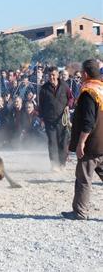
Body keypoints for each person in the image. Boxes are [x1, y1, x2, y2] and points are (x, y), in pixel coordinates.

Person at [62, 59, 103, 220]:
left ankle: (80, 212)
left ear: (85, 74)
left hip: (92, 145)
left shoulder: (88, 92)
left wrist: (81, 143)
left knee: (83, 179)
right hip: (102, 143)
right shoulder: (101, 89)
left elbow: (88, 121)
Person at [39, 66, 74, 172]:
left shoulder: (65, 86)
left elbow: (71, 98)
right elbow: (41, 105)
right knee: (52, 142)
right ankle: (54, 164)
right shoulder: (44, 89)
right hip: (49, 120)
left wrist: (68, 105)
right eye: (49, 75)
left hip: (62, 119)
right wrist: (42, 119)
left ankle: (62, 163)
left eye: (53, 75)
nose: (51, 77)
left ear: (58, 75)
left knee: (63, 142)